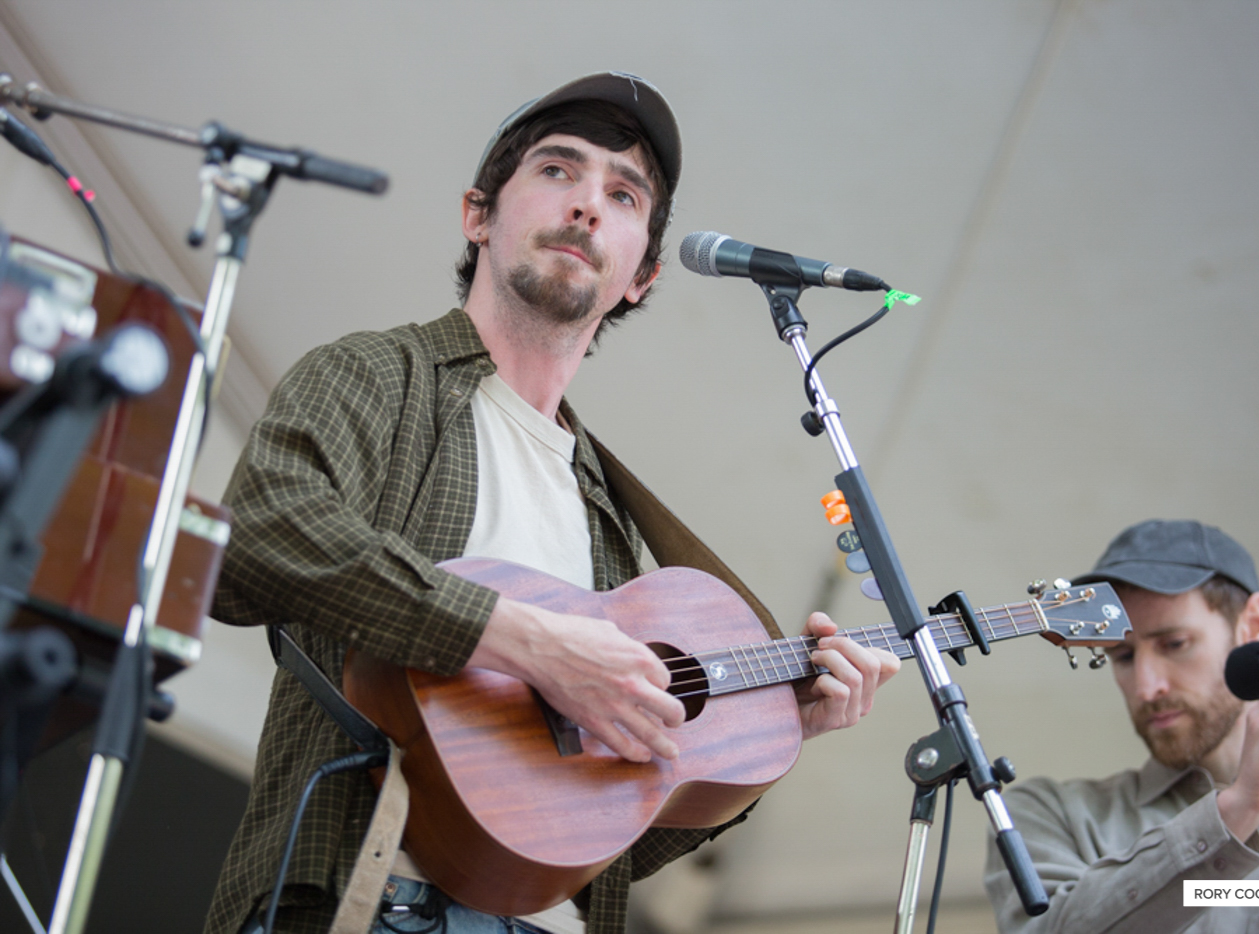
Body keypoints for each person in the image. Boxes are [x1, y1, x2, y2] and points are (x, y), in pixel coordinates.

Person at [203, 72, 900, 934]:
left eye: (622, 193)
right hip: (371, 905)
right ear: (479, 215)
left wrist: (761, 740)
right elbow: (254, 542)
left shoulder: (607, 517)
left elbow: (597, 831)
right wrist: (531, 642)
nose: (586, 206)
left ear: (642, 275)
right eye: (558, 171)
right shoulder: (379, 377)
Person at [983, 518, 1259, 933]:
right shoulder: (1046, 816)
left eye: (1174, 644)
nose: (1147, 687)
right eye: (1123, 656)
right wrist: (1239, 808)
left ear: (1253, 626)